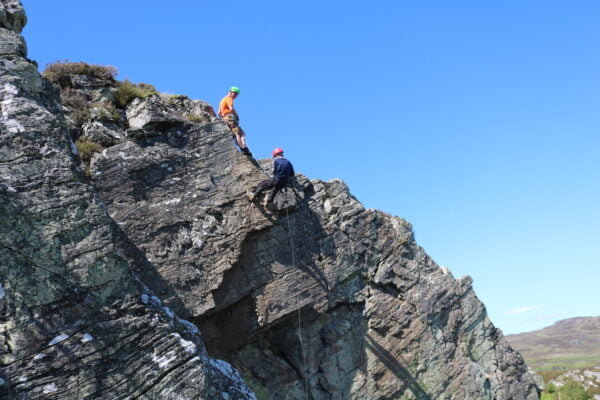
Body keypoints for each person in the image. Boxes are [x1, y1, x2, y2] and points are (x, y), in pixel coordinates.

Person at [218, 86, 251, 156]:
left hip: (226, 118)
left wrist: (224, 117)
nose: (235, 96)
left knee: (239, 133)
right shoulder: (229, 98)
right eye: (235, 93)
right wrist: (236, 115)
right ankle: (243, 148)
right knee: (239, 133)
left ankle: (242, 147)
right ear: (230, 92)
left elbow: (219, 113)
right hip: (230, 118)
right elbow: (231, 108)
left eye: (237, 94)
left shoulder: (222, 100)